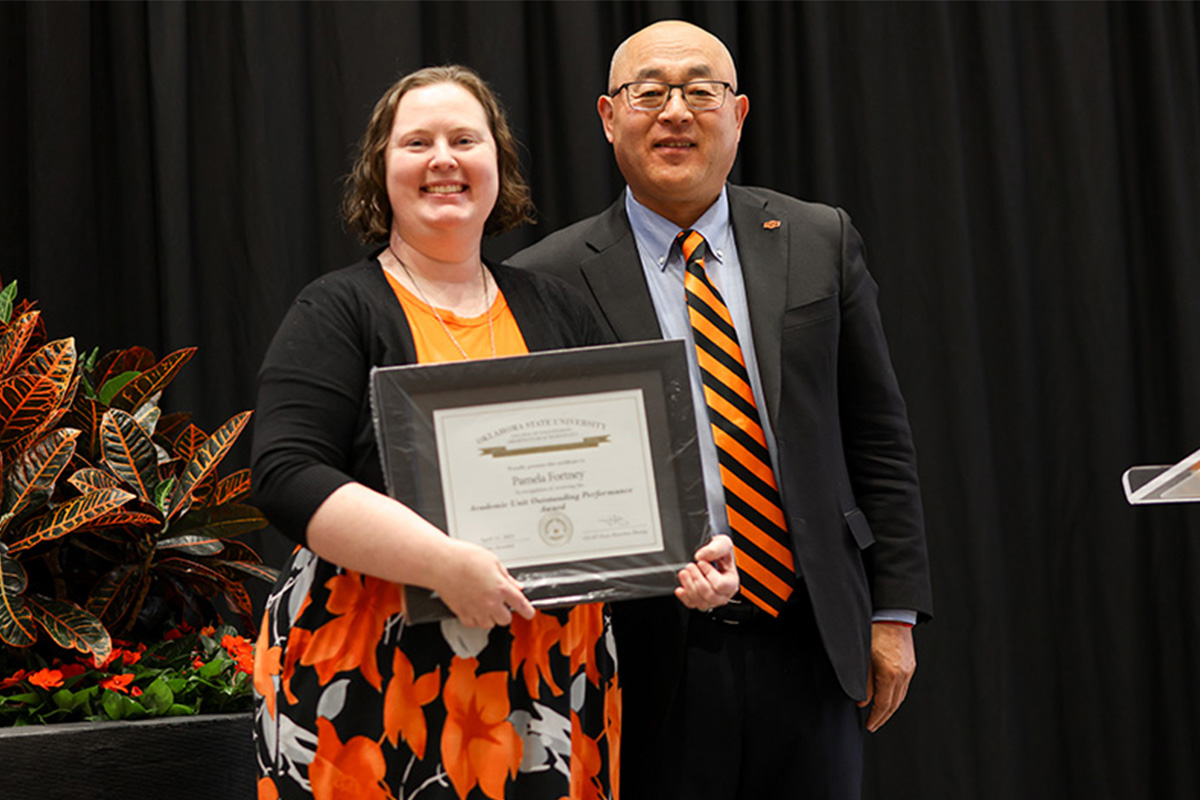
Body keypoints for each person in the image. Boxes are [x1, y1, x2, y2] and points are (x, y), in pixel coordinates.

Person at [249, 64, 731, 800]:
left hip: (547, 681)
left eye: (465, 139)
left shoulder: (554, 308)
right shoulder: (337, 310)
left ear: (498, 169)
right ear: (381, 174)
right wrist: (441, 565)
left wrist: (689, 558)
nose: (443, 159)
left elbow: (633, 472)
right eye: (417, 142)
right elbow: (286, 475)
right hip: (374, 679)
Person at [508, 20, 934, 800]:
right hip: (647, 653)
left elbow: (878, 435)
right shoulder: (546, 279)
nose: (676, 111)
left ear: (738, 114)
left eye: (701, 90)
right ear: (609, 117)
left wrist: (895, 610)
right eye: (650, 92)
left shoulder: (816, 238)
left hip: (812, 633)